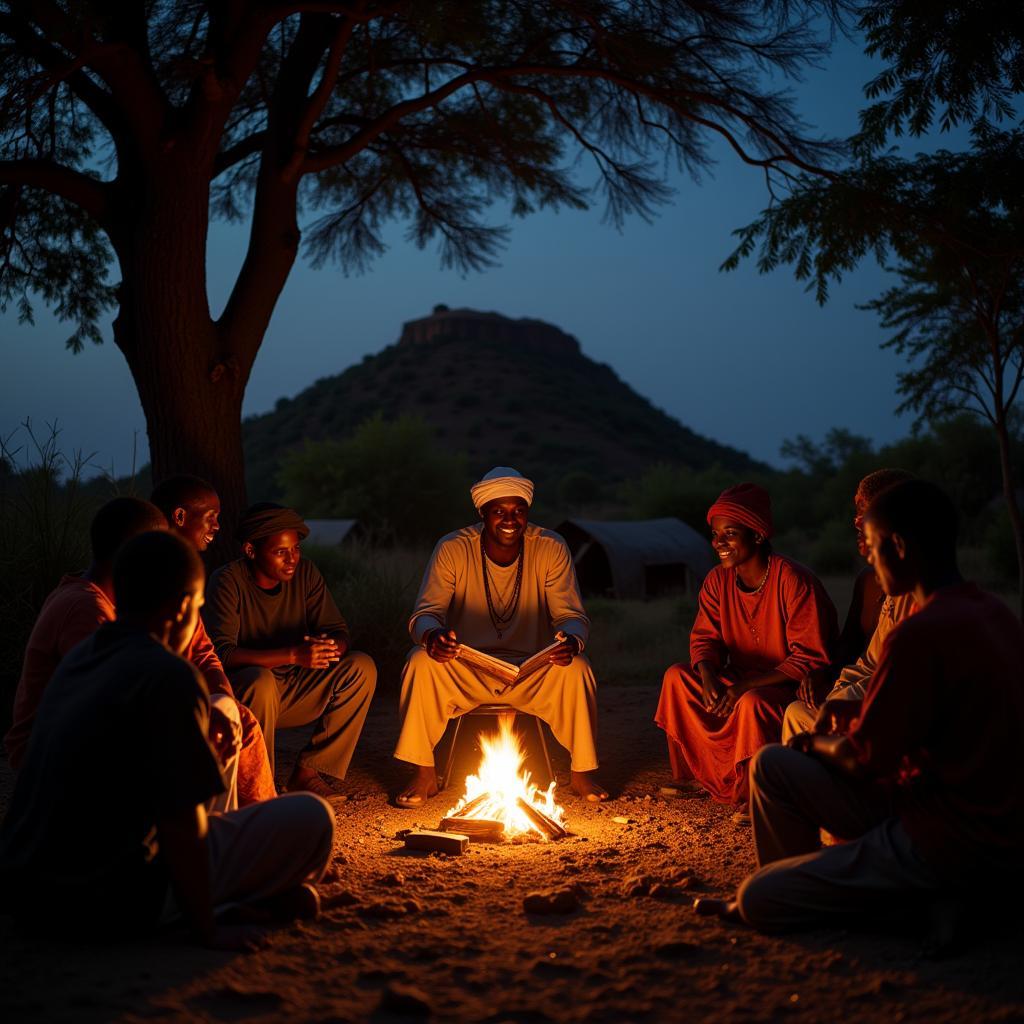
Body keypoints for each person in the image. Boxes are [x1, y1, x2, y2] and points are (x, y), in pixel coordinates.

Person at [699, 481, 1024, 941]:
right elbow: (926, 726)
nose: (868, 561)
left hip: (943, 836)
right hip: (958, 811)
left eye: (872, 547)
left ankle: (922, 905)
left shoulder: (919, 633)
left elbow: (864, 759)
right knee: (772, 764)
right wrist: (847, 721)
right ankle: (836, 884)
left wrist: (815, 742)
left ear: (899, 546)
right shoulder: (995, 614)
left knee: (759, 898)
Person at [0, 531, 335, 947]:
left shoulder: (80, 660)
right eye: (197, 608)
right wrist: (207, 930)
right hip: (108, 898)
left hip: (29, 892)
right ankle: (206, 907)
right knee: (312, 817)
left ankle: (244, 895)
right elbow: (181, 825)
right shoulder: (169, 675)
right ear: (182, 609)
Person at [393, 466, 606, 806]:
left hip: (532, 669)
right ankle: (424, 774)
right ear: (482, 513)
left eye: (518, 511)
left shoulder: (551, 547)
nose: (510, 519)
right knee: (419, 661)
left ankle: (581, 773)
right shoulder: (452, 548)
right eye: (499, 512)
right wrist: (433, 636)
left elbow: (572, 615)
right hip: (467, 667)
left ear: (527, 513)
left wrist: (569, 641)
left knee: (578, 667)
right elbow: (424, 614)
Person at [655, 483, 837, 816]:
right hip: (736, 679)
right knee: (676, 678)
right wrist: (708, 674)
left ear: (757, 536)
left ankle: (755, 789)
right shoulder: (716, 580)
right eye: (714, 534)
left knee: (751, 704)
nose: (718, 543)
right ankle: (698, 776)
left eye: (730, 533)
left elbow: (810, 656)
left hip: (781, 687)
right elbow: (704, 640)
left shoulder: (793, 580)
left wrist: (744, 687)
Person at [203, 503, 376, 800]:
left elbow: (338, 629)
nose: (292, 559)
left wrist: (332, 646)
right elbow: (221, 653)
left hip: (296, 689)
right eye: (280, 552)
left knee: (362, 666)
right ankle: (260, 784)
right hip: (246, 694)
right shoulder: (227, 581)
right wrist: (293, 655)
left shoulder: (306, 573)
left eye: (295, 549)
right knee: (261, 679)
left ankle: (308, 772)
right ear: (250, 550)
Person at [4, 496, 167, 770]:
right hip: (49, 755)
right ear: (131, 554)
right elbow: (110, 704)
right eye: (160, 552)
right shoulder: (86, 609)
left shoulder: (90, 596)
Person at [151, 475, 277, 802]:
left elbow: (204, 651)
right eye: (211, 517)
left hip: (171, 706)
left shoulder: (176, 573)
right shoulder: (111, 598)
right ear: (179, 517)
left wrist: (222, 697)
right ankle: (237, 827)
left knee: (232, 715)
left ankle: (248, 814)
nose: (217, 526)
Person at [783, 469, 915, 741]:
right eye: (857, 514)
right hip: (858, 696)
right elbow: (861, 655)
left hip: (890, 713)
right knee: (797, 713)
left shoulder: (920, 595)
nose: (857, 523)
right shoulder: (872, 582)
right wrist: (830, 679)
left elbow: (900, 679)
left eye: (866, 515)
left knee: (775, 762)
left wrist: (845, 699)